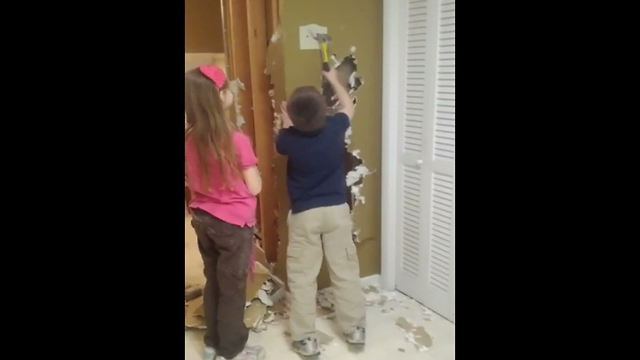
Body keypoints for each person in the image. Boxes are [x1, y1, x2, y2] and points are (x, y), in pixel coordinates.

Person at [275, 68, 366, 356]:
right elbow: (349, 105)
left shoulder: (288, 139)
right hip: (337, 211)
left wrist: (285, 119)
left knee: (303, 277)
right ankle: (354, 328)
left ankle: (305, 338)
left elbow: (282, 136)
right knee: (345, 271)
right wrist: (334, 81)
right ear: (324, 110)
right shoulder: (335, 127)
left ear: (293, 115)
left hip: (305, 215)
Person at [185, 64, 265, 360]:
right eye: (227, 89)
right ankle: (232, 350)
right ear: (220, 97)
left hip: (202, 220)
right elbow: (254, 187)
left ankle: (211, 343)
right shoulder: (236, 140)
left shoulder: (189, 138)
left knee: (214, 280)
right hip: (233, 225)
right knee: (232, 288)